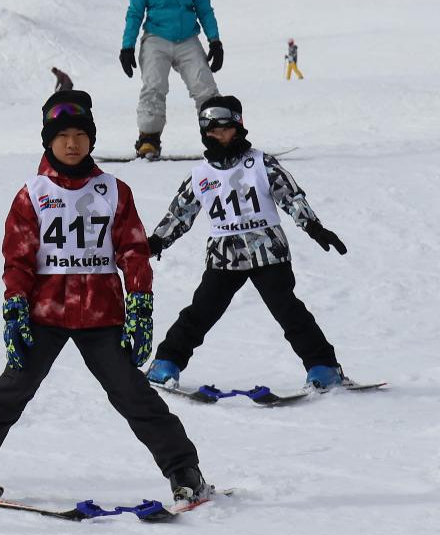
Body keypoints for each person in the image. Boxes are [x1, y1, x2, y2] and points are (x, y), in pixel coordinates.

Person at [0, 91, 207, 506]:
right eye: (63, 135)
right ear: (48, 141)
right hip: (46, 313)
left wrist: (140, 306)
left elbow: (133, 251)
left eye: (81, 134)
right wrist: (16, 308)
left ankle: (184, 470)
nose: (72, 143)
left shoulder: (114, 190)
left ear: (92, 140)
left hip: (102, 314)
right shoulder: (33, 193)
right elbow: (18, 258)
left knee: (133, 393)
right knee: (13, 389)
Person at [145, 95, 349, 393]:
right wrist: (156, 242)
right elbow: (181, 213)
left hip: (268, 252)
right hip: (224, 258)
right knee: (200, 312)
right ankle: (166, 362)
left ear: (238, 128)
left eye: (224, 128)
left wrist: (313, 227)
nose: (218, 135)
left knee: (288, 311)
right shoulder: (201, 175)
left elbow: (290, 196)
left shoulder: (260, 163)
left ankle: (324, 367)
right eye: (211, 130)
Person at [120, 0, 220, 160]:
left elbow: (204, 9)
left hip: (187, 39)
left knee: (205, 86)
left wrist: (215, 40)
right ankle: (149, 139)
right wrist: (127, 46)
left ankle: (217, 134)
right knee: (154, 86)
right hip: (157, 38)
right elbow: (135, 12)